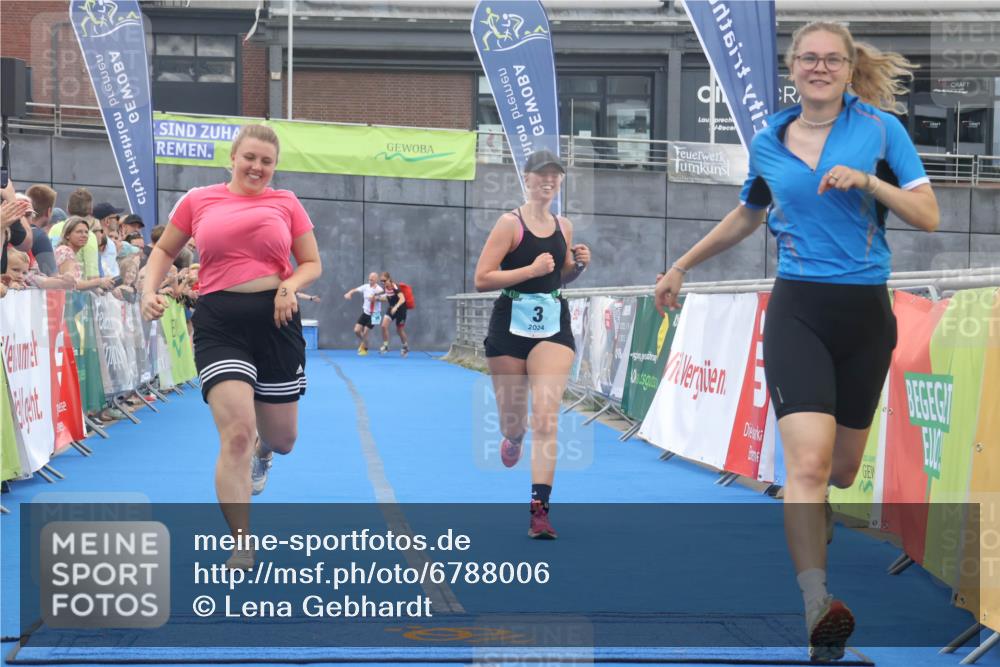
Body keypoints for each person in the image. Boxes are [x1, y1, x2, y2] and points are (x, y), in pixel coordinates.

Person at [654, 21, 938, 661]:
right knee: (806, 467)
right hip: (799, 308)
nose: (819, 67)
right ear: (792, 67)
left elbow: (928, 215)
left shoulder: (881, 132)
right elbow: (747, 215)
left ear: (846, 67)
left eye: (831, 59)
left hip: (866, 312)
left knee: (839, 469)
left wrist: (869, 182)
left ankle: (820, 520)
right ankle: (817, 606)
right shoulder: (768, 139)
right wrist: (681, 266)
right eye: (808, 58)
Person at [140, 124, 322, 570]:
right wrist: (149, 290)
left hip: (277, 319)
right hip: (220, 321)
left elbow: (312, 263)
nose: (257, 167)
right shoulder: (199, 200)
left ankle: (265, 451)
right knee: (235, 433)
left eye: (266, 161)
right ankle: (242, 541)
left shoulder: (286, 203)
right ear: (233, 157)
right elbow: (163, 250)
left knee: (282, 439)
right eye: (250, 158)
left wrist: (289, 286)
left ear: (274, 167)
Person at [473, 148, 590, 539]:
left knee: (546, 416)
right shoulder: (509, 224)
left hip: (553, 325)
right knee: (514, 421)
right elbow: (482, 278)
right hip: (510, 325)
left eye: (554, 176)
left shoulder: (564, 225)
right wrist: (530, 269)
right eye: (541, 175)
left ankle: (539, 511)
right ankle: (513, 436)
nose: (548, 181)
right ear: (526, 179)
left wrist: (577, 267)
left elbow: (559, 278)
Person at [55, 217, 116, 291]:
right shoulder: (65, 251)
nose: (84, 235)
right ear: (67, 235)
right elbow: (72, 284)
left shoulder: (68, 251)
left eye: (86, 232)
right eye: (79, 232)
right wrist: (99, 282)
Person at [343, 273, 384, 356]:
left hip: (375, 315)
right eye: (369, 279)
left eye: (372, 280)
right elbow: (354, 290)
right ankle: (365, 342)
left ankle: (365, 348)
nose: (370, 281)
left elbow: (384, 299)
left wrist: (375, 298)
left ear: (376, 280)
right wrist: (349, 293)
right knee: (357, 330)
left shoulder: (379, 290)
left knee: (365, 331)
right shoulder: (366, 286)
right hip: (366, 313)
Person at [377, 272, 409, 357]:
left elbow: (402, 299)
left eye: (384, 281)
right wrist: (377, 298)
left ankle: (405, 347)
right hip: (392, 309)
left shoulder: (395, 286)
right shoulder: (386, 288)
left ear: (389, 279)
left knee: (399, 330)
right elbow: (388, 297)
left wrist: (396, 307)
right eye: (381, 281)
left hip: (401, 310)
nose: (383, 283)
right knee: (384, 326)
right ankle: (386, 346)